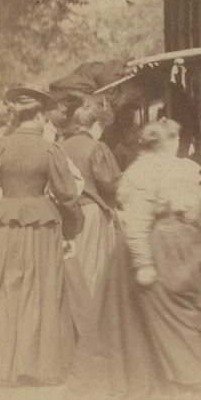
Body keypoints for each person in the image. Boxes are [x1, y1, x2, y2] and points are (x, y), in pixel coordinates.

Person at [70, 119, 201, 400]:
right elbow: (137, 222)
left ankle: (188, 374)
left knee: (180, 307)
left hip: (173, 246)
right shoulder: (141, 173)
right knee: (159, 312)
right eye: (174, 139)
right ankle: (185, 375)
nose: (178, 144)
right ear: (165, 143)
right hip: (153, 246)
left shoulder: (170, 167)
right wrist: (144, 264)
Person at [0, 87, 80, 386]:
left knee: (5, 286)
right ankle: (39, 367)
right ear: (38, 116)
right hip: (42, 223)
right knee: (43, 290)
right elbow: (67, 195)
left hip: (5, 223)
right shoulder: (49, 149)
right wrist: (72, 227)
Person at [58, 97, 120, 299]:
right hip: (92, 214)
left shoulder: (60, 147)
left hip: (66, 213)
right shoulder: (97, 147)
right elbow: (111, 184)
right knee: (95, 268)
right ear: (96, 125)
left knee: (74, 267)